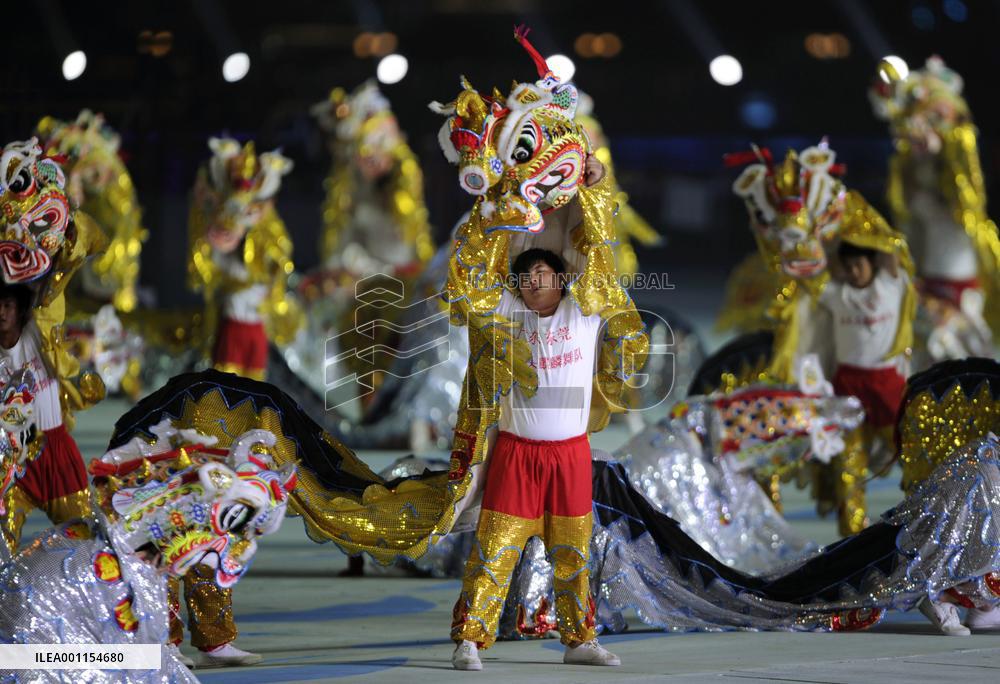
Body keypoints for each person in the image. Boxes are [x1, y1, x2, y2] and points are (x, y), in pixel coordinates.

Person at [451, 247, 620, 670]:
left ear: (562, 280)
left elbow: (598, 252)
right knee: (493, 552)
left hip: (570, 459)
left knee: (574, 556)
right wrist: (494, 206)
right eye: (524, 276)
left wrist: (590, 182)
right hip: (516, 455)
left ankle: (579, 641)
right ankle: (469, 639)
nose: (532, 282)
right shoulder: (507, 312)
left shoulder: (584, 312)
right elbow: (466, 279)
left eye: (541, 274)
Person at [0, 283, 92, 554]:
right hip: (12, 465)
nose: (1, 312)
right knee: (2, 545)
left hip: (55, 453)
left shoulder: (38, 335)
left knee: (82, 542)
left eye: (7, 305)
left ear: (19, 310)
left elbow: (50, 293)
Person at [820, 241, 909, 462]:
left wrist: (867, 230)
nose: (854, 271)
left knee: (908, 448)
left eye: (859, 264)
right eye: (848, 266)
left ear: (873, 262)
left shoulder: (892, 285)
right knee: (844, 456)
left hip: (886, 381)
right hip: (847, 383)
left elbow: (891, 247)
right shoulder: (835, 294)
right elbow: (816, 267)